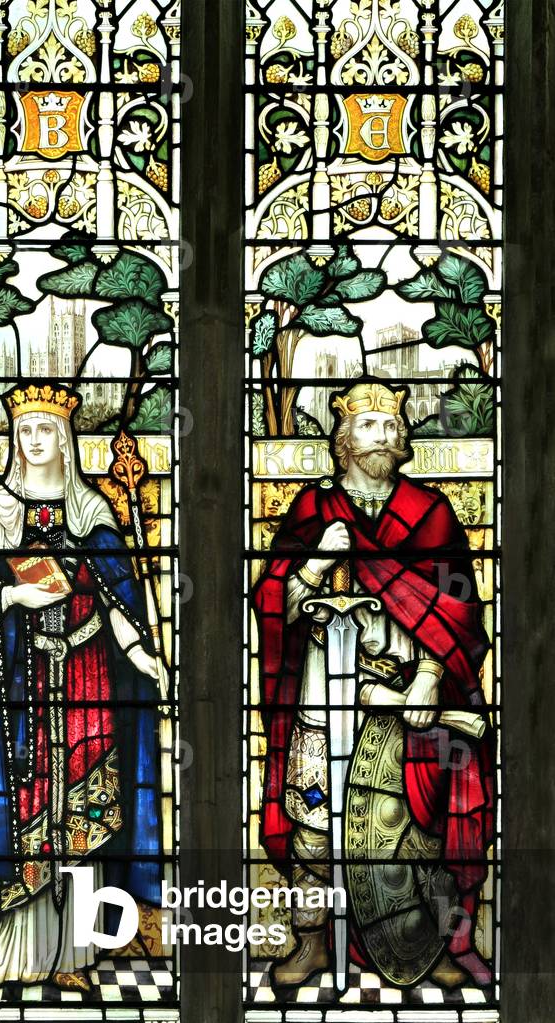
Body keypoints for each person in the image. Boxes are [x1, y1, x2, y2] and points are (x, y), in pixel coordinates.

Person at [253, 382, 494, 992]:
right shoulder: (313, 510)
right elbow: (271, 601)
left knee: (418, 825)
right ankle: (311, 942)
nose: (384, 435)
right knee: (313, 821)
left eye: (392, 425)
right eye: (368, 425)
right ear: (343, 441)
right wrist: (311, 562)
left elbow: (458, 609)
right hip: (322, 691)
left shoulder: (430, 512)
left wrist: (431, 680)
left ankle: (426, 946)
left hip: (413, 691)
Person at [0, 382, 168, 998]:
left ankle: (73, 951)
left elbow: (120, 600)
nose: (35, 441)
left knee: (82, 816)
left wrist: (143, 654)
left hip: (87, 681)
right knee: (15, 814)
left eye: (47, 430)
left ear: (65, 439)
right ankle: (0, 951)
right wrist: (10, 596)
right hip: (15, 688)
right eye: (25, 431)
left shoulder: (93, 513)